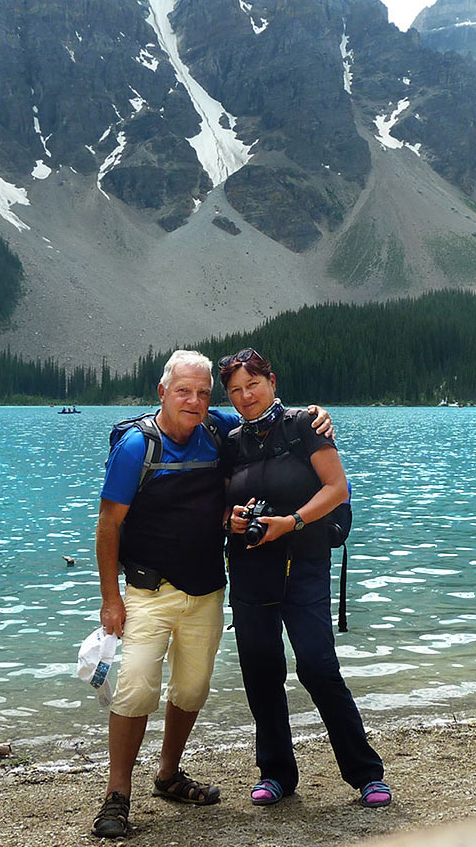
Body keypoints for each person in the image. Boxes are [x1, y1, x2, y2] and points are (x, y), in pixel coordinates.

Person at [91, 349, 333, 838]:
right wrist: (110, 598)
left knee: (193, 688)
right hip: (148, 588)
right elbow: (108, 524)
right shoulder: (137, 446)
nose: (194, 401)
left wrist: (315, 414)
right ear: (162, 392)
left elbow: (262, 407)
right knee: (137, 686)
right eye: (183, 391)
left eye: (203, 393)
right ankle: (117, 794)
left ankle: (168, 775)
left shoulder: (215, 429)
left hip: (205, 589)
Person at [219, 347, 391, 809]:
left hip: (304, 564)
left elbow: (337, 489)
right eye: (235, 390)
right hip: (251, 569)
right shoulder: (231, 440)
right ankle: (276, 773)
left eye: (252, 384)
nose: (245, 396)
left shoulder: (304, 426)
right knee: (261, 672)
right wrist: (232, 520)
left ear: (272, 381)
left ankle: (365, 774)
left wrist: (292, 521)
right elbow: (219, 504)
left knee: (318, 668)